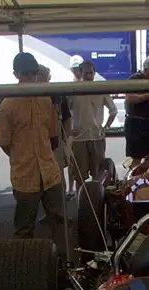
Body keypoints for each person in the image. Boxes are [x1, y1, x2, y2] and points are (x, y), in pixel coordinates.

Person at [0, 52, 66, 250]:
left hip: (50, 172)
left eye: (33, 73)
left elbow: (52, 135)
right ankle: (23, 268)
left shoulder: (45, 100)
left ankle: (61, 261)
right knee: (24, 228)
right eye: (25, 74)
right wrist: (21, 157)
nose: (30, 78)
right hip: (25, 175)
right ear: (16, 74)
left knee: (59, 220)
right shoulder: (7, 106)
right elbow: (4, 141)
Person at [69, 60, 116, 188]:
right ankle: (81, 202)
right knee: (80, 176)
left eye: (91, 73)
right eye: (86, 73)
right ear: (80, 73)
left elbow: (113, 110)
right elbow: (65, 111)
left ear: (94, 73)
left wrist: (106, 127)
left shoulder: (101, 89)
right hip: (80, 138)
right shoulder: (73, 90)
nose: (89, 75)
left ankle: (97, 202)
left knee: (99, 174)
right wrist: (70, 129)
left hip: (96, 137)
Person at [125, 55, 149, 166]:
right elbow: (129, 98)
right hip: (135, 123)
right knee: (136, 158)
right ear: (145, 70)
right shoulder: (134, 80)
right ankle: (134, 180)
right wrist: (147, 96)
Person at [66, 55, 83, 198]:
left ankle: (79, 189)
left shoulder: (87, 84)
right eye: (74, 69)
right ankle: (71, 188)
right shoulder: (70, 86)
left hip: (84, 127)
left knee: (81, 162)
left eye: (78, 68)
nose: (76, 71)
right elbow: (68, 106)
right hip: (72, 128)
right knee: (71, 161)